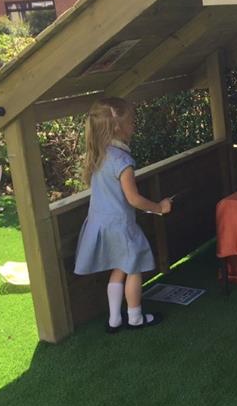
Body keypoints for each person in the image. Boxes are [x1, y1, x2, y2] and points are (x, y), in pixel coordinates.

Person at [73, 97, 173, 333]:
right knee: (135, 268)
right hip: (121, 225)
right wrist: (160, 207)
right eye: (131, 121)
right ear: (118, 127)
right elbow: (134, 198)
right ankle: (136, 317)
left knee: (119, 269)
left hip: (100, 223)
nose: (134, 125)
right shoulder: (123, 161)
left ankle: (114, 319)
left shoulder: (99, 155)